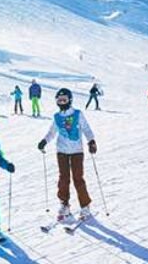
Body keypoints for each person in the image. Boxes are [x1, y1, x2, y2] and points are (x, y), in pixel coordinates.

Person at [38, 88, 97, 221]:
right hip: (62, 151)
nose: (62, 102)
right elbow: (52, 132)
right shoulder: (57, 117)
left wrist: (91, 141)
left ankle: (85, 205)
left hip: (77, 151)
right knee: (63, 179)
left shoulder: (77, 114)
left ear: (70, 100)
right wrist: (44, 141)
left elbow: (86, 128)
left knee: (78, 178)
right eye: (59, 100)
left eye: (64, 99)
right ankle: (64, 204)